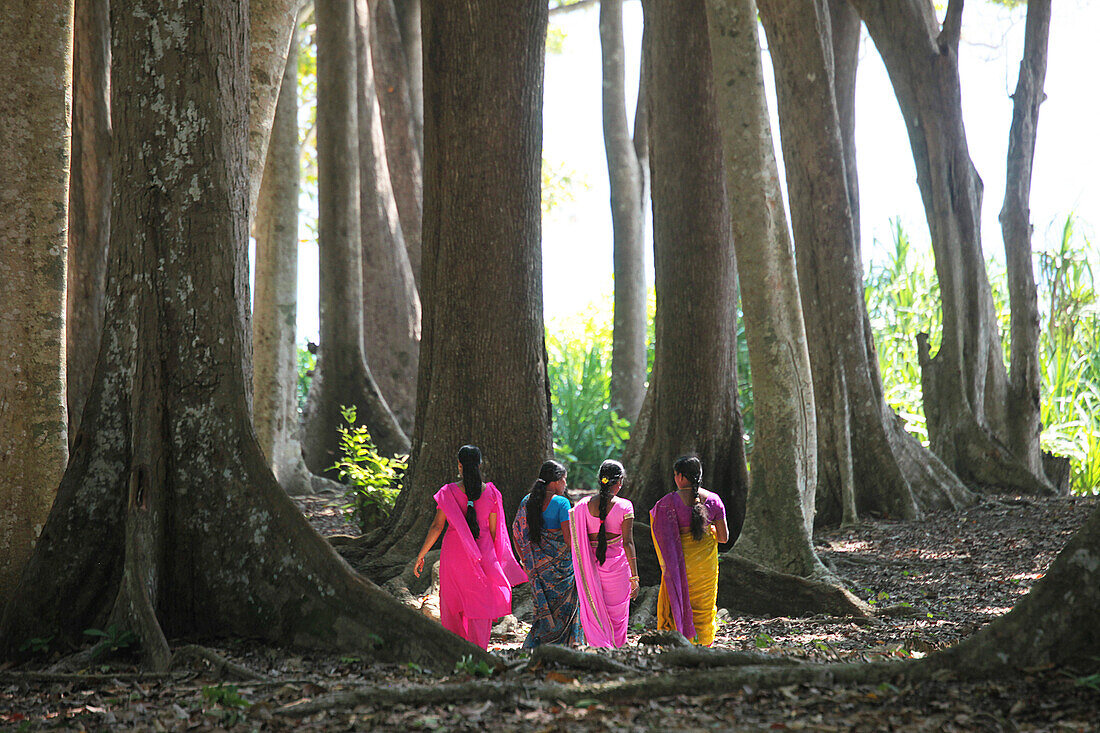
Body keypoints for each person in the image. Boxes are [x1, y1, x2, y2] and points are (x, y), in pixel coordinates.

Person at [414, 445, 527, 649]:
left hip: (454, 555)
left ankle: (456, 649)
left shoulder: (448, 492)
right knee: (480, 605)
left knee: (452, 603)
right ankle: (478, 650)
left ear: (459, 465)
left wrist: (421, 555)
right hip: (483, 554)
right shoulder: (492, 492)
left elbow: (437, 526)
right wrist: (496, 561)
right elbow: (494, 531)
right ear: (480, 465)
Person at [649, 455, 728, 646]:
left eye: (676, 475)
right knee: (704, 605)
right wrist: (708, 531)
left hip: (679, 568)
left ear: (681, 477)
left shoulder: (667, 503)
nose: (675, 478)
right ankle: (704, 642)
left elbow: (659, 535)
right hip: (705, 569)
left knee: (682, 603)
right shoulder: (715, 501)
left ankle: (681, 641)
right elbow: (724, 538)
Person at [511, 460, 584, 648]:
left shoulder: (527, 501)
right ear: (556, 481)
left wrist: (526, 561)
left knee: (543, 610)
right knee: (567, 608)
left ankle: (539, 645)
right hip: (563, 572)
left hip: (538, 571)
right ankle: (567, 645)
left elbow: (517, 531)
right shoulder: (561, 503)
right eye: (564, 480)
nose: (565, 484)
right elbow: (569, 540)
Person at [569, 459, 638, 648]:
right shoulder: (625, 507)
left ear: (601, 480)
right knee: (618, 616)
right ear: (619, 482)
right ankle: (615, 648)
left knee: (597, 612)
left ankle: (600, 647)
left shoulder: (582, 506)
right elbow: (628, 542)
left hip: (592, 572)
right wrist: (635, 577)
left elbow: (574, 541)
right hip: (619, 574)